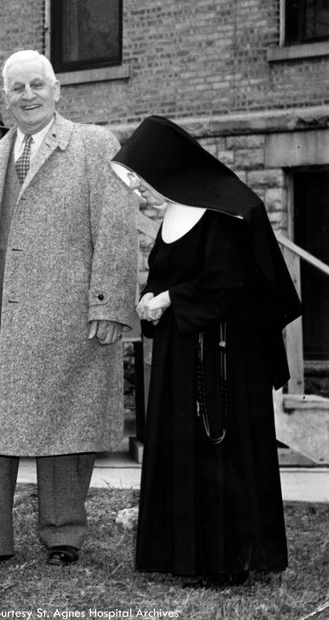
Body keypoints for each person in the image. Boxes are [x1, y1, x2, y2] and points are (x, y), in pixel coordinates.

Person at [0, 50, 137, 571]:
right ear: (3, 98)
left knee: (64, 425)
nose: (27, 95)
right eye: (16, 88)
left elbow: (117, 231)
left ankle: (63, 535)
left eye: (37, 85)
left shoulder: (95, 146)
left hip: (66, 313)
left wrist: (109, 303)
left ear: (57, 91)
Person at [110, 115, 302, 587]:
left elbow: (234, 280)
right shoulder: (175, 211)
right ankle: (187, 554)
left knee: (222, 454)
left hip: (226, 357)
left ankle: (227, 559)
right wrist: (151, 299)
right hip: (182, 351)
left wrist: (171, 299)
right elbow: (167, 272)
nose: (140, 187)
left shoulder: (231, 208)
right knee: (182, 447)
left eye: (142, 176)